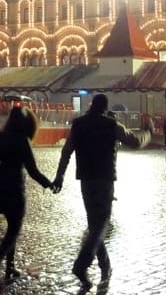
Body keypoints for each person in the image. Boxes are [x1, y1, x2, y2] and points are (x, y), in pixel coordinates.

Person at [52, 93, 146, 289]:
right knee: (102, 224)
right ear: (105, 107)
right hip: (104, 178)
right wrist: (148, 132)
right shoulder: (112, 125)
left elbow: (67, 150)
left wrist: (60, 175)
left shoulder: (79, 124)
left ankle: (105, 265)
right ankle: (81, 264)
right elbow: (135, 142)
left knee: (94, 224)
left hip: (86, 179)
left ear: (91, 105)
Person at [0, 107, 53, 281]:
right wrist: (48, 184)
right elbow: (33, 170)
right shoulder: (22, 140)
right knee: (14, 229)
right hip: (15, 186)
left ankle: (10, 266)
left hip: (0, 186)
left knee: (11, 225)